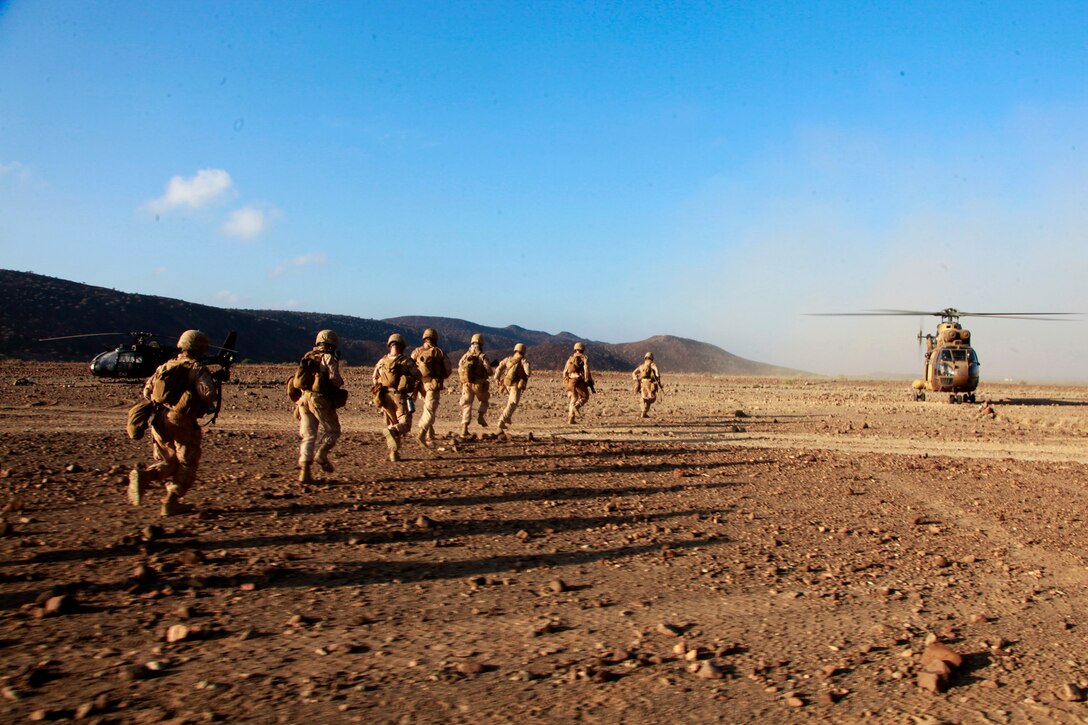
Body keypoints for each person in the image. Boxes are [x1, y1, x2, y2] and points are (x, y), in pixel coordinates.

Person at [128, 329, 227, 516]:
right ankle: (171, 501)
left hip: (158, 418)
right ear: (200, 347)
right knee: (187, 462)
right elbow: (209, 394)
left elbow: (148, 392)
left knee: (170, 460)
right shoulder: (196, 368)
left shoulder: (165, 366)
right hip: (182, 420)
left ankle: (145, 475)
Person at [294, 330, 344, 483]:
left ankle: (305, 471)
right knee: (333, 430)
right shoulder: (328, 358)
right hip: (320, 400)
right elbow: (335, 379)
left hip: (303, 400)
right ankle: (322, 454)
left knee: (308, 436)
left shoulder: (308, 356)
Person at [372, 333, 422, 462]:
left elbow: (374, 378)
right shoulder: (405, 361)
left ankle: (394, 454)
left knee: (391, 422)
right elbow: (418, 375)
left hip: (384, 396)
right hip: (399, 397)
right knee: (404, 424)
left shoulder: (382, 361)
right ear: (402, 346)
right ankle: (392, 432)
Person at [410, 328, 451, 447]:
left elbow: (410, 365)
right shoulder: (439, 352)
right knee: (430, 409)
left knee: (427, 408)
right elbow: (448, 370)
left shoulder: (417, 351)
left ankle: (430, 432)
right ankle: (422, 434)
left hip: (419, 384)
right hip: (433, 384)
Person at [457, 333, 491, 437]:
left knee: (467, 405)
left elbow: (459, 367)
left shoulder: (466, 355)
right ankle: (480, 416)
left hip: (466, 384)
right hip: (479, 384)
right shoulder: (482, 356)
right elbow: (489, 370)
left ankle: (464, 428)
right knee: (484, 400)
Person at [492, 343, 531, 431]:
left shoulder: (508, 359)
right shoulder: (523, 360)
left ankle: (508, 417)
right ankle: (501, 421)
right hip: (515, 385)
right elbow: (528, 373)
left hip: (506, 383)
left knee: (511, 402)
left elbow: (499, 368)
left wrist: (496, 378)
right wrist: (526, 366)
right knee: (512, 403)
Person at [562, 342, 594, 425]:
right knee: (585, 397)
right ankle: (576, 407)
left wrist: (566, 380)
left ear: (575, 348)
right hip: (579, 380)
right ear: (582, 349)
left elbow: (565, 371)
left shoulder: (570, 358)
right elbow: (586, 368)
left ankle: (571, 419)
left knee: (573, 399)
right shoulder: (584, 358)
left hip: (570, 381)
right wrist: (587, 379)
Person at [632, 352, 662, 418]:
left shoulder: (641, 366)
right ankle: (644, 412)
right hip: (650, 384)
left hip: (642, 384)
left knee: (644, 397)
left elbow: (634, 372)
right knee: (651, 398)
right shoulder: (652, 365)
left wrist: (635, 378)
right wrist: (657, 375)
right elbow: (656, 371)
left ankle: (644, 412)